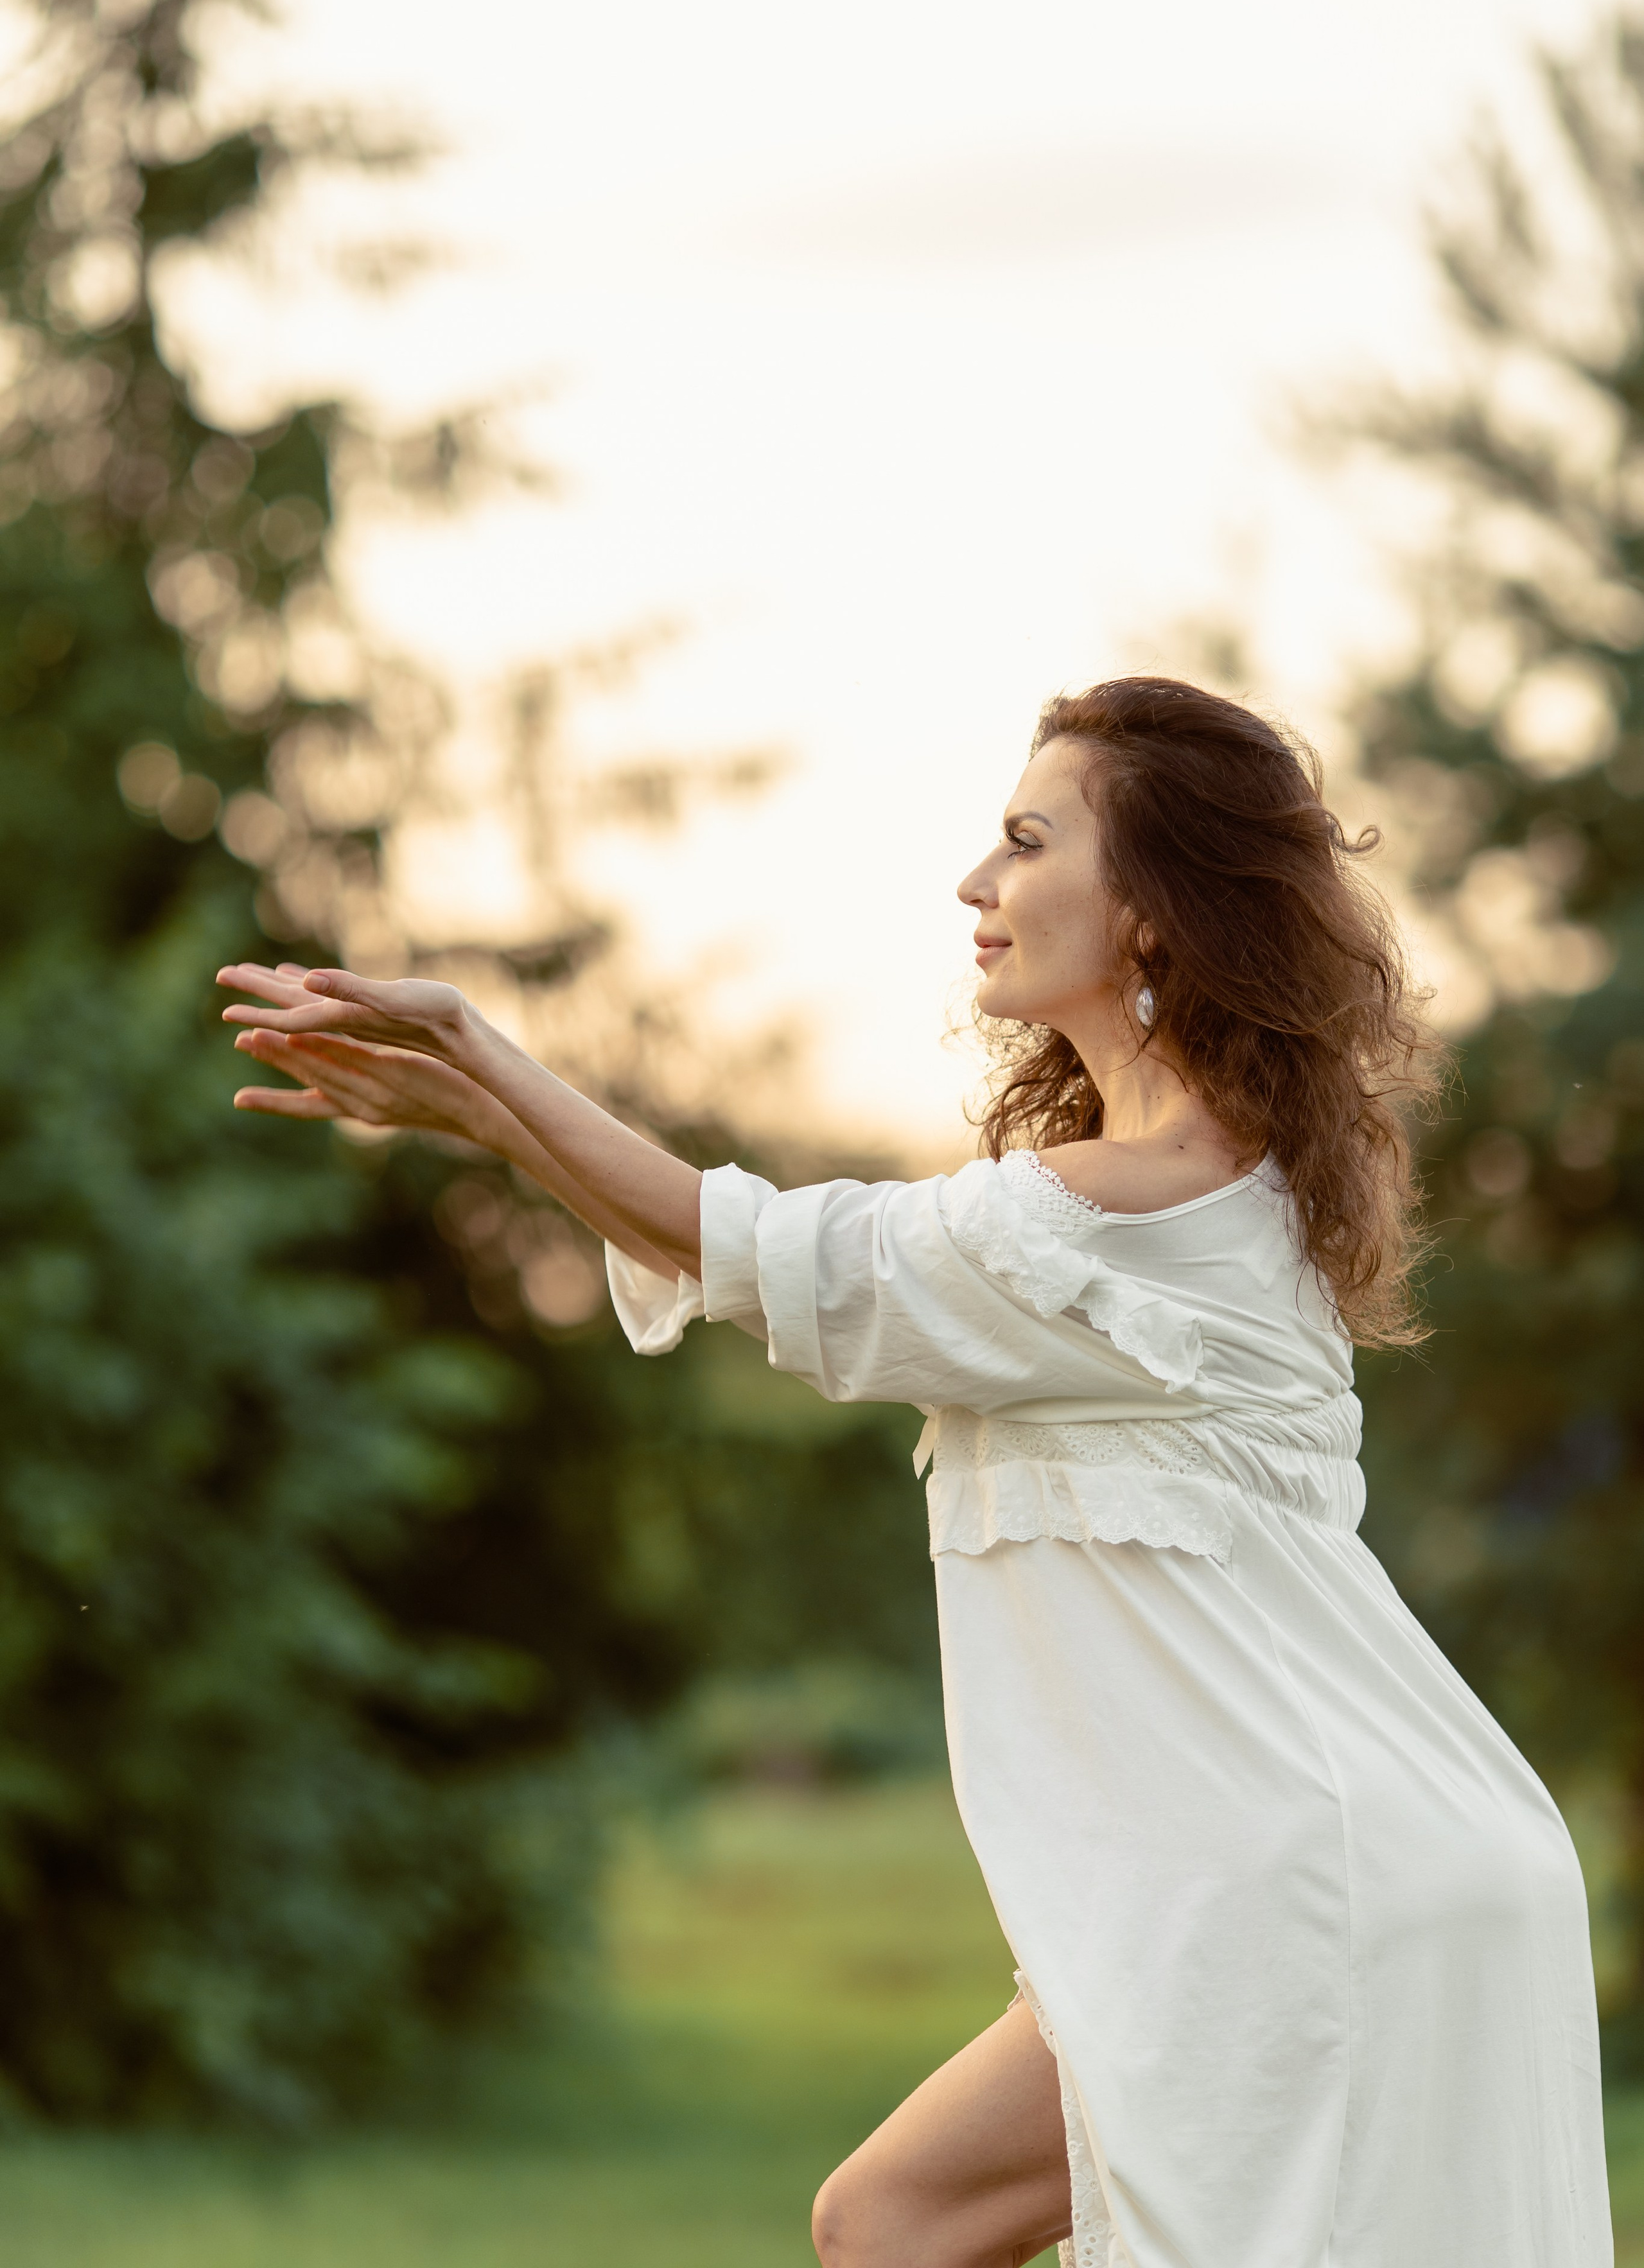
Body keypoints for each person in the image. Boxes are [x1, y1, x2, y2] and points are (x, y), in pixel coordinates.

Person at [216, 676, 1611, 2268]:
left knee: (897, 2225)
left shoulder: (1099, 1221)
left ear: (1153, 915)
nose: (974, 884)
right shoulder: (1251, 1185)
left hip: (1288, 1886)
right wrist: (482, 1109)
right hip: (1327, 1860)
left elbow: (750, 1247)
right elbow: (763, 1257)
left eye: (1026, 843)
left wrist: (480, 1061)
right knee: (893, 2220)